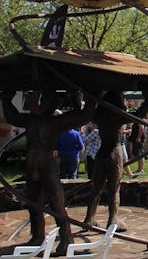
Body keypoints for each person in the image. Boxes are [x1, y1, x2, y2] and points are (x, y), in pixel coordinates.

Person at [1, 90, 96, 255]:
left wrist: (89, 99)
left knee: (56, 203)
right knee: (33, 202)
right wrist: (6, 98)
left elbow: (83, 117)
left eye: (47, 101)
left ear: (53, 105)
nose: (42, 103)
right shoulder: (30, 120)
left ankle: (66, 238)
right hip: (32, 166)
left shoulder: (56, 122)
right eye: (41, 100)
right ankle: (37, 236)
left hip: (47, 165)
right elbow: (12, 117)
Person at [84, 90, 148, 235]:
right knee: (114, 188)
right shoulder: (119, 116)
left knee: (96, 187)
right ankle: (112, 220)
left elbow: (84, 112)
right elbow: (140, 114)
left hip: (102, 152)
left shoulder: (99, 116)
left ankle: (89, 217)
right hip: (114, 151)